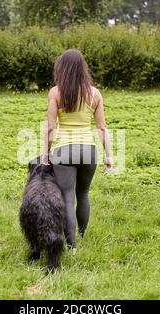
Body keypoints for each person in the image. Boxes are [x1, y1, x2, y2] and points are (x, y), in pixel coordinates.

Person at [42, 48, 113, 255]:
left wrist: (46, 153)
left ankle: (71, 247)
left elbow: (50, 128)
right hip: (89, 150)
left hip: (63, 150)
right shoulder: (94, 93)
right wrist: (109, 156)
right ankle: (81, 236)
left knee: (67, 197)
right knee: (83, 194)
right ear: (83, 69)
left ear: (61, 69)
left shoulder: (56, 93)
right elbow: (102, 128)